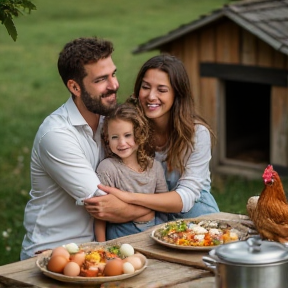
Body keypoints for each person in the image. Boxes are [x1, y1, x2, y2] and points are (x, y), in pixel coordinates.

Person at [20, 37, 151, 260]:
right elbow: (104, 206)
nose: (114, 85)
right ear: (74, 86)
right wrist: (152, 210)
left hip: (98, 247)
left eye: (114, 74)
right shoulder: (56, 135)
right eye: (101, 79)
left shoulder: (111, 124)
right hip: (53, 251)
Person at [85, 54, 219, 221]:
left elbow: (186, 197)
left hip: (192, 211)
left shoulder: (196, 134)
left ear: (177, 94)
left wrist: (129, 197)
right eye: (146, 87)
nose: (151, 96)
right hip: (144, 214)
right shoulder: (128, 126)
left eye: (161, 90)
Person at [94, 103, 168, 241]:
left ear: (140, 134)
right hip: (120, 235)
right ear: (107, 138)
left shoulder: (155, 167)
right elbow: (100, 214)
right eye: (114, 137)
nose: (121, 143)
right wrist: (101, 245)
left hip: (154, 233)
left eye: (128, 135)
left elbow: (163, 207)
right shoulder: (108, 168)